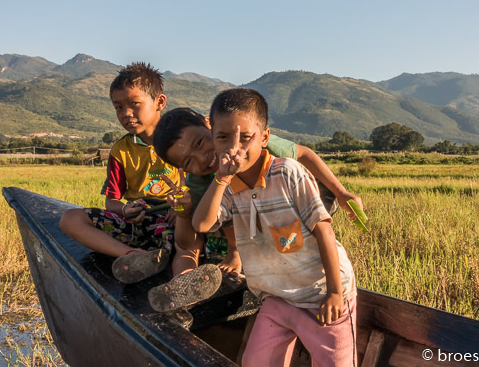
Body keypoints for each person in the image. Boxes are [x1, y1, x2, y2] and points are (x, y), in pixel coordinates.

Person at [192, 88, 357, 366]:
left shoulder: (287, 172)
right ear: (213, 139)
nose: (235, 148)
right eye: (223, 137)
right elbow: (202, 224)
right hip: (277, 296)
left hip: (321, 295)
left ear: (265, 137)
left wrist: (334, 293)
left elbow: (324, 231)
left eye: (245, 138)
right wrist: (220, 179)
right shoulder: (227, 187)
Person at [148, 106, 362, 311]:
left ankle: (237, 253)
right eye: (188, 162)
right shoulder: (199, 181)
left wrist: (341, 192)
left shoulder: (250, 141)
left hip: (284, 207)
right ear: (182, 170)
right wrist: (183, 214)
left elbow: (304, 153)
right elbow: (193, 236)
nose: (202, 158)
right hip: (241, 219)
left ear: (209, 125)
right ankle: (185, 288)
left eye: (199, 143)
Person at [59, 63, 221, 304]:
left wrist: (181, 211)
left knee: (185, 244)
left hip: (174, 218)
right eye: (118, 107)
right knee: (69, 219)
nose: (126, 113)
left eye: (134, 104)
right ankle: (133, 256)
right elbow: (112, 201)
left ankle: (179, 282)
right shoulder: (120, 150)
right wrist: (125, 209)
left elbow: (196, 184)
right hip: (139, 221)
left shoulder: (182, 141)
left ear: (159, 102)